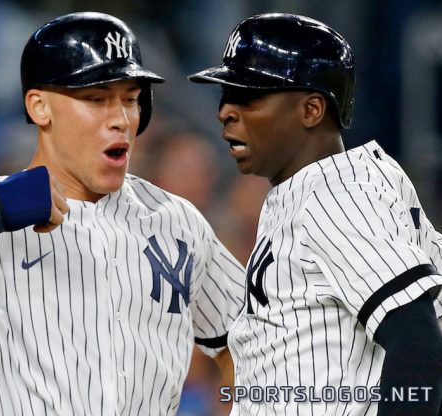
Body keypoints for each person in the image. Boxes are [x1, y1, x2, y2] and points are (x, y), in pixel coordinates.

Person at [0, 12, 246, 415]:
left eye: (130, 99)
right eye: (96, 99)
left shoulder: (175, 220)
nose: (120, 119)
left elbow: (256, 346)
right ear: (40, 107)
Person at [188, 13, 442, 416]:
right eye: (225, 94)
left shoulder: (336, 195)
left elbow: (416, 339)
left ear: (311, 110)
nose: (225, 111)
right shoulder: (326, 187)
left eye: (248, 95)